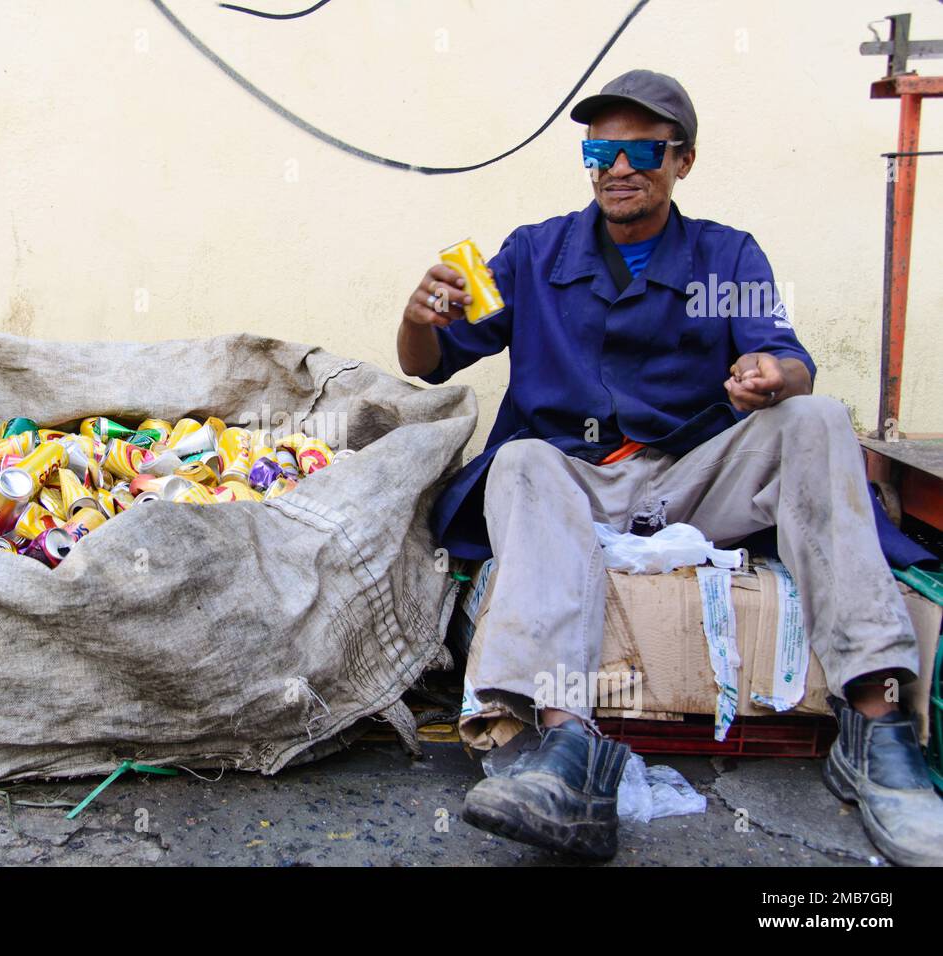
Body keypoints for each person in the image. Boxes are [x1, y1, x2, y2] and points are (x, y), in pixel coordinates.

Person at [396, 69, 943, 865]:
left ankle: (878, 729)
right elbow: (429, 364)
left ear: (682, 160)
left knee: (819, 419)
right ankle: (564, 754)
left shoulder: (726, 255)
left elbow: (791, 363)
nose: (620, 168)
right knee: (518, 461)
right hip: (578, 483)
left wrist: (769, 375)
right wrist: (416, 318)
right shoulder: (532, 253)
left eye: (643, 150)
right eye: (602, 149)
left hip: (695, 480)